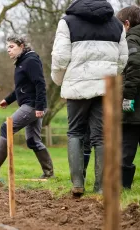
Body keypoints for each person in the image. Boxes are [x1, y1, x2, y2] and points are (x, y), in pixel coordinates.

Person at [51, 0, 128, 197]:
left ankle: (77, 183)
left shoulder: (67, 22)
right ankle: (100, 187)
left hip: (77, 85)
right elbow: (122, 59)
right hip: (106, 86)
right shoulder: (117, 24)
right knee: (101, 136)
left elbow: (60, 58)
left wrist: (60, 80)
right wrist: (111, 77)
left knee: (75, 132)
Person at [0, 35, 54, 179]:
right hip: (30, 103)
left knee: (8, 127)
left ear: (22, 46)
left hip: (32, 105)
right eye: (7, 47)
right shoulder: (22, 62)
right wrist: (8, 100)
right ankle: (49, 173)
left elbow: (40, 84)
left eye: (11, 47)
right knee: (33, 140)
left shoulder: (30, 60)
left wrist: (39, 107)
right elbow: (22, 88)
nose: (8, 50)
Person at [116, 5, 140, 189]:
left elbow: (134, 68)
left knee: (127, 145)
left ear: (127, 23)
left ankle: (123, 187)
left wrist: (128, 98)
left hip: (136, 104)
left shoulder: (132, 38)